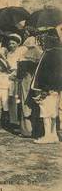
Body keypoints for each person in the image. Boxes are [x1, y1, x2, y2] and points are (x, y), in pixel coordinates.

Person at [31, 11, 62, 144]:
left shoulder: (51, 53)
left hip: (48, 88)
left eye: (45, 38)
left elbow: (50, 73)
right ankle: (53, 135)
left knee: (46, 113)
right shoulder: (57, 52)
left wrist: (46, 89)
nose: (42, 41)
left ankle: (48, 136)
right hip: (54, 88)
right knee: (53, 112)